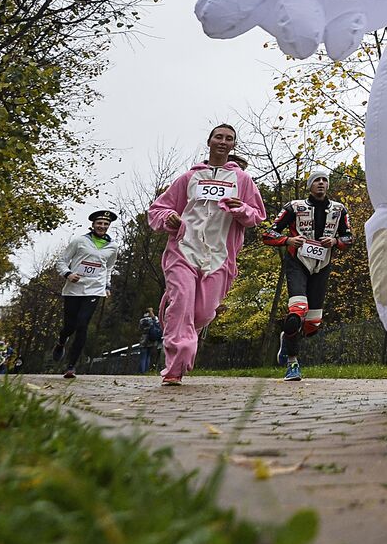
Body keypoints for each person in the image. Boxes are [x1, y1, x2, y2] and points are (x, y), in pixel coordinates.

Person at [148, 123, 266, 385]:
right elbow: (157, 210)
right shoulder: (188, 178)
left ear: (233, 145)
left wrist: (240, 209)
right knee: (182, 303)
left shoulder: (243, 181)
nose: (223, 141)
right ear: (209, 141)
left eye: (229, 139)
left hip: (219, 255)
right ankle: (175, 368)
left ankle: (181, 322)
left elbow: (257, 215)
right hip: (184, 250)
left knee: (202, 313)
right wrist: (170, 218)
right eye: (219, 137)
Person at [261, 168, 353, 381]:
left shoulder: (339, 210)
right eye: (316, 180)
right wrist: (288, 240)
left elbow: (349, 237)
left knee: (312, 325)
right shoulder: (294, 207)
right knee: (296, 313)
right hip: (297, 264)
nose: (321, 183)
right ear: (309, 185)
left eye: (324, 180)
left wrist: (336, 242)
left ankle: (287, 338)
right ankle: (293, 364)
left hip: (322, 267)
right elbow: (268, 234)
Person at [51, 211, 120, 379]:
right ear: (93, 224)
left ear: (109, 226)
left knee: (82, 325)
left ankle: (71, 366)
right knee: (69, 326)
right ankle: (61, 342)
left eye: (105, 224)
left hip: (94, 289)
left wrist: (107, 285)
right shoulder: (79, 241)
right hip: (74, 289)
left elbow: (108, 268)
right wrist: (68, 274)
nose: (102, 226)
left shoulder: (113, 247)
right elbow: (61, 261)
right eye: (99, 223)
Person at [138, 309, 163, 373]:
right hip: (151, 340)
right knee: (148, 356)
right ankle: (146, 371)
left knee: (143, 357)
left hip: (144, 340)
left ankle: (142, 372)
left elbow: (140, 329)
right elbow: (158, 324)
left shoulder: (142, 320)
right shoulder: (153, 319)